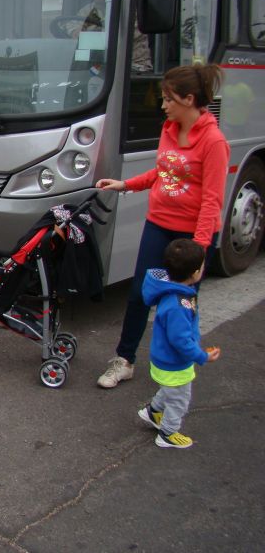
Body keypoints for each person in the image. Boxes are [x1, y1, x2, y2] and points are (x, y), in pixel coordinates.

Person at [95, 63, 229, 389]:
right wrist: (125, 184)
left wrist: (199, 250)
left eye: (169, 98)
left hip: (192, 236)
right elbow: (164, 172)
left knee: (181, 304)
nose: (163, 105)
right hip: (159, 224)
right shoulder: (170, 128)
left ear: (188, 99)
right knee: (140, 294)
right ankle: (124, 360)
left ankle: (178, 371)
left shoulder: (213, 141)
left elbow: (212, 200)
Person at [137, 239, 221, 448]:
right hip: (174, 363)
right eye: (202, 265)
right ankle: (167, 434)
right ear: (195, 273)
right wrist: (202, 356)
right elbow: (180, 340)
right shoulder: (178, 304)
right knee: (179, 400)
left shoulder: (172, 293)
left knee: (169, 390)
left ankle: (153, 412)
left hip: (164, 359)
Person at [68, 0, 152, 72]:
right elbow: (71, 24)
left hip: (133, 69)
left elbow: (115, 39)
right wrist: (74, 32)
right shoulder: (89, 9)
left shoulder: (129, 10)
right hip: (101, 67)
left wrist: (86, 34)